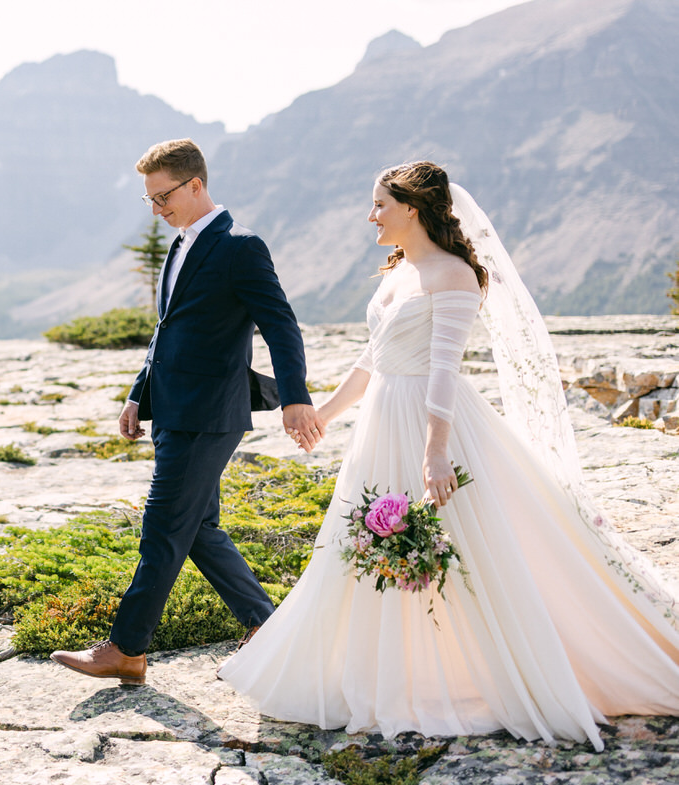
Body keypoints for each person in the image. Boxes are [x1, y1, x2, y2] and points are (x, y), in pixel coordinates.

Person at [219, 161, 679, 750]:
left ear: (412, 208)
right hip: (382, 420)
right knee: (369, 547)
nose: (371, 216)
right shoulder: (396, 273)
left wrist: (436, 453)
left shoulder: (454, 275)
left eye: (380, 204)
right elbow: (372, 361)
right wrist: (324, 416)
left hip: (433, 424)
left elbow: (444, 368)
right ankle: (387, 675)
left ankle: (485, 671)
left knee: (460, 550)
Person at [51, 138, 321, 687]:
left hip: (208, 414)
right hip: (171, 409)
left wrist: (296, 397)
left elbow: (280, 324)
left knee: (162, 526)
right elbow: (165, 330)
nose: (156, 208)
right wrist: (137, 394)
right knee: (197, 528)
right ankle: (268, 629)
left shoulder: (241, 246)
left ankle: (127, 649)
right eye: (148, 199)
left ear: (196, 184)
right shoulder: (179, 245)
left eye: (163, 195)